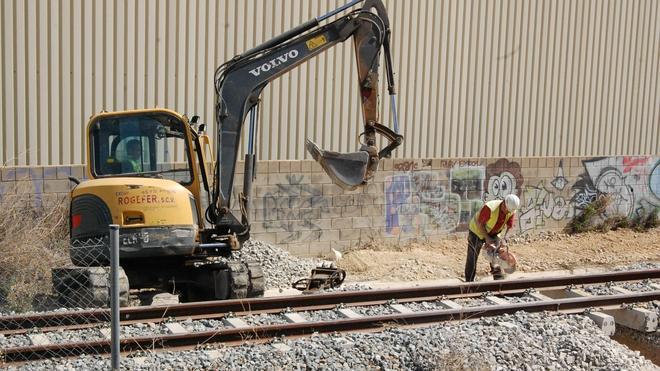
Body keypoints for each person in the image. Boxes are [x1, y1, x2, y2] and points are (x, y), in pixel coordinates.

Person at [465, 194, 520, 282]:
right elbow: (480, 224)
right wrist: (487, 239)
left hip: (494, 233)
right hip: (476, 231)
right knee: (473, 257)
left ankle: (499, 281)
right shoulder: (490, 208)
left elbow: (510, 226)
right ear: (504, 203)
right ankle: (469, 282)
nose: (508, 212)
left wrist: (505, 238)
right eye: (507, 210)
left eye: (510, 211)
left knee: (497, 256)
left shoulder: (511, 210)